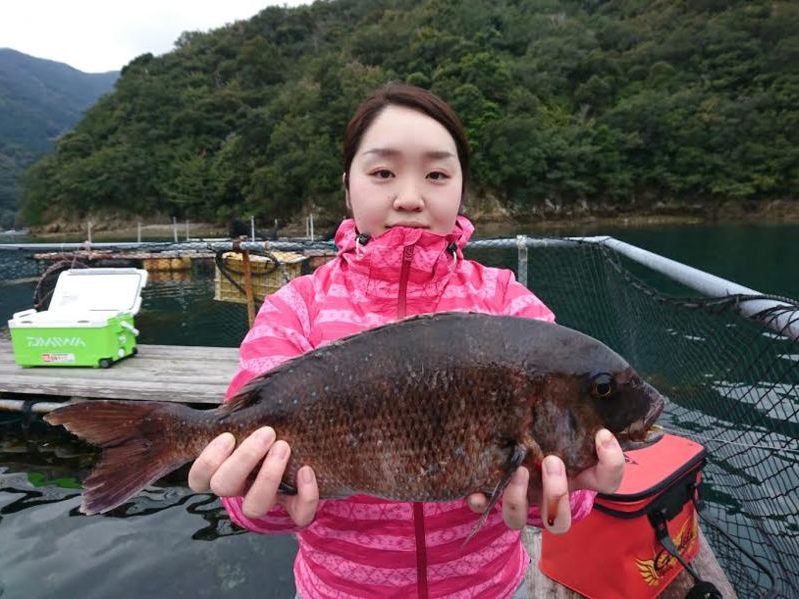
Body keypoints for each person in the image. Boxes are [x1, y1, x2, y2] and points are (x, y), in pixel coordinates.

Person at [188, 84, 625, 599]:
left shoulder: (510, 302)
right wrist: (259, 499)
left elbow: (569, 499)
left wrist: (555, 497)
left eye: (437, 174)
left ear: (462, 188)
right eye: (382, 173)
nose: (411, 196)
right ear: (347, 187)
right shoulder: (295, 309)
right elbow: (245, 489)